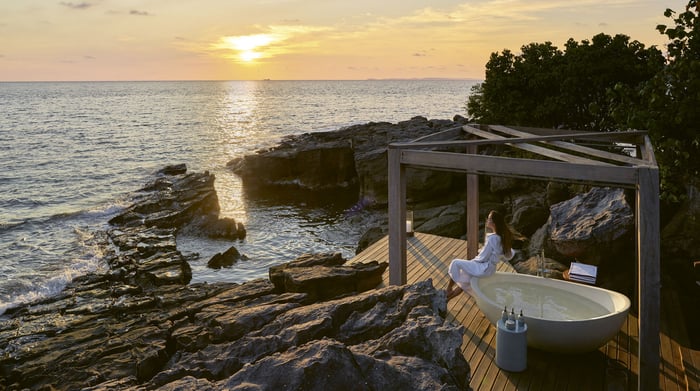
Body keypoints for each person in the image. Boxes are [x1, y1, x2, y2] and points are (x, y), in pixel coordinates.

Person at [446, 210, 514, 302]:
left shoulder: (492, 238)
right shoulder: (501, 238)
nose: (487, 220)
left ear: (493, 223)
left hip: (483, 268)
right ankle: (447, 299)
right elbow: (509, 255)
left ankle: (448, 289)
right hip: (490, 269)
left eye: (489, 218)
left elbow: (484, 256)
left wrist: (475, 259)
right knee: (465, 278)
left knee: (455, 262)